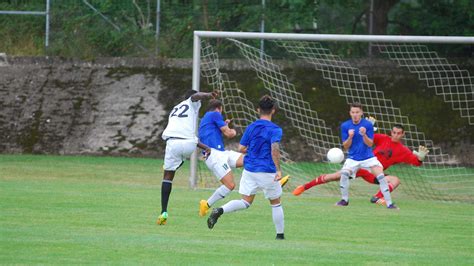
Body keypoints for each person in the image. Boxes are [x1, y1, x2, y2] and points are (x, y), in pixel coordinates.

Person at [207, 95, 286, 240]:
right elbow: (275, 149)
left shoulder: (251, 127)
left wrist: (252, 150)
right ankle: (280, 235)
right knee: (276, 203)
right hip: (267, 170)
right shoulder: (275, 129)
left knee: (245, 202)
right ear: (273, 110)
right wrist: (278, 170)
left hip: (249, 170)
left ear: (258, 110)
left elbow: (241, 147)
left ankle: (220, 209)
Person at [292, 124, 430, 205]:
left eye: (398, 133)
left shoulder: (403, 150)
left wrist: (421, 158)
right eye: (394, 132)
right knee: (334, 176)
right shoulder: (383, 138)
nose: (395, 135)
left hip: (375, 174)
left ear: (403, 134)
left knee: (395, 180)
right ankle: (304, 187)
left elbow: (416, 163)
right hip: (360, 166)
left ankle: (377, 197)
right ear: (391, 132)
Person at [157, 89, 217, 225]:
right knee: (181, 156)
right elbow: (195, 96)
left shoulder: (175, 109)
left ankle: (163, 212)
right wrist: (207, 95)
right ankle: (178, 163)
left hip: (173, 143)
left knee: (167, 176)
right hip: (189, 144)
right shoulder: (191, 102)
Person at [326, 103, 397, 209]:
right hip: (353, 159)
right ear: (350, 113)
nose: (355, 114)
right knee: (344, 174)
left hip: (368, 158)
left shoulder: (368, 125)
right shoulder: (345, 126)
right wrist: (350, 137)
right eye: (353, 112)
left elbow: (370, 144)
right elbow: (345, 146)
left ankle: (390, 204)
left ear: (361, 113)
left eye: (357, 112)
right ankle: (344, 200)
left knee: (381, 177)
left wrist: (364, 134)